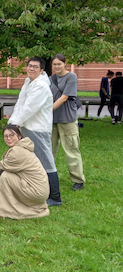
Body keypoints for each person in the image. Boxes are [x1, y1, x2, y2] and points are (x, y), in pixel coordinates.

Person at [8, 56, 62, 206]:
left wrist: (14, 124)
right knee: (30, 160)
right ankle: (33, 189)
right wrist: (12, 122)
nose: (31, 69)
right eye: (29, 66)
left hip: (38, 129)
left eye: (35, 67)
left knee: (46, 161)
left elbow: (29, 108)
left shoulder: (41, 86)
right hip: (26, 127)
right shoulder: (28, 82)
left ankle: (55, 197)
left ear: (42, 70)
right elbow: (20, 104)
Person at [0, 125, 49, 219]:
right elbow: (9, 168)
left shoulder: (18, 151)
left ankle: (6, 210)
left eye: (12, 135)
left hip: (36, 192)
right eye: (6, 136)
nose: (8, 138)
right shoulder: (21, 148)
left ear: (19, 136)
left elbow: (2, 166)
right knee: (6, 174)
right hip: (39, 192)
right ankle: (10, 206)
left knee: (5, 176)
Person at [50, 54, 85, 190]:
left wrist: (49, 109)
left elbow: (65, 97)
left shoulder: (71, 77)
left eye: (59, 64)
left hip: (67, 119)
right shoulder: (49, 79)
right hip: (52, 120)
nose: (57, 67)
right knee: (49, 150)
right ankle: (47, 177)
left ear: (65, 63)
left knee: (71, 150)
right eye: (54, 64)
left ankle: (78, 180)